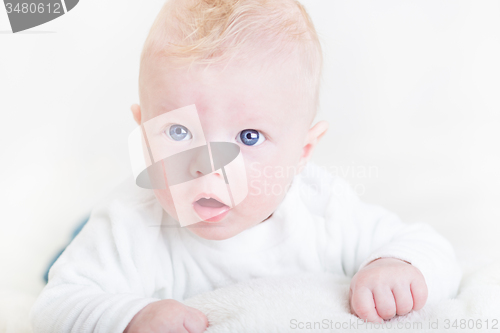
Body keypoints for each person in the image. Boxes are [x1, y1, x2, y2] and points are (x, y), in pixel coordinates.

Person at [30, 0, 462, 332]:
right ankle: (73, 236)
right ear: (143, 131)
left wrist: (395, 268)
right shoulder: (129, 225)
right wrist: (130, 315)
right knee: (69, 255)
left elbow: (433, 251)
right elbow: (56, 305)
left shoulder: (324, 208)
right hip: (113, 223)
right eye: (178, 132)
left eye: (248, 138)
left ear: (303, 152)